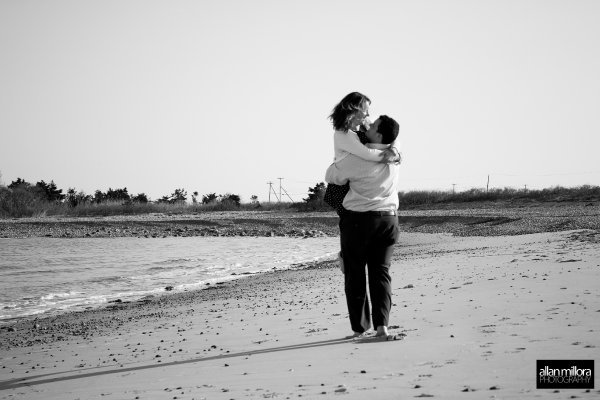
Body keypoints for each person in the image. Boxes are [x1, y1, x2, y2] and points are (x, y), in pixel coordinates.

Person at [325, 115, 403, 341]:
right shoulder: (394, 156)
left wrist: (339, 161)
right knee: (381, 273)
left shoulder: (356, 158)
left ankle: (360, 328)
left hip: (358, 221)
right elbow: (399, 140)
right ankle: (382, 328)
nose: (368, 124)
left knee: (355, 274)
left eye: (373, 124)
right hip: (389, 220)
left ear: (378, 134)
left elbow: (331, 176)